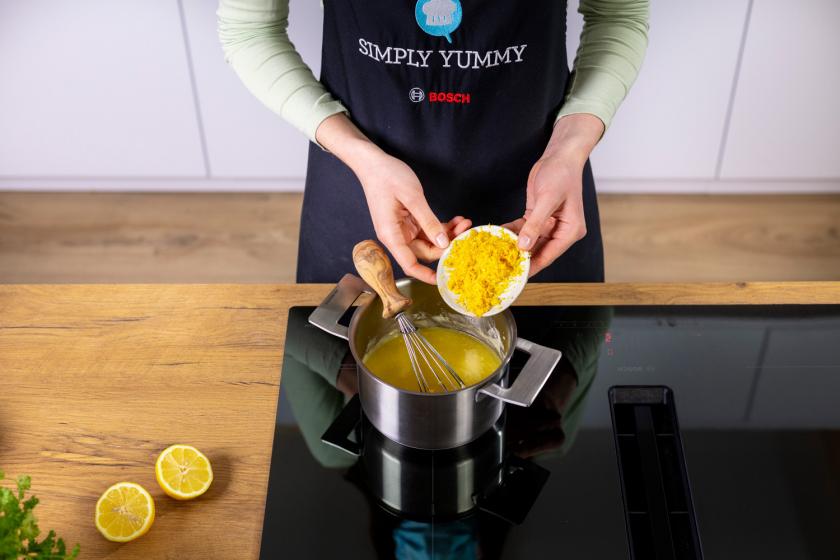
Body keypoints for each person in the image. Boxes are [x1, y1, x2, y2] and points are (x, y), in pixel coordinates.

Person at [218, 0, 649, 285]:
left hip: (538, 193)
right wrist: (360, 156)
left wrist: (570, 147)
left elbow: (618, 15)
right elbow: (250, 30)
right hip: (359, 183)